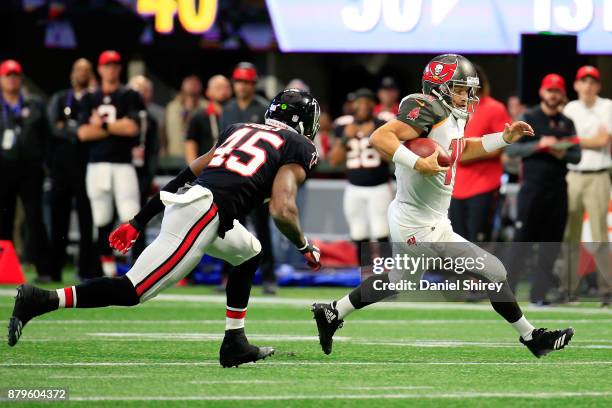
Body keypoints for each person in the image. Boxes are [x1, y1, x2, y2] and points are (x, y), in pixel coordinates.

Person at [8, 89, 322, 368]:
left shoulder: (239, 129)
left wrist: (139, 220)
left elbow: (187, 173)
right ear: (305, 124)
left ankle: (234, 342)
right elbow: (282, 209)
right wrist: (304, 246)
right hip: (203, 215)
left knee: (250, 252)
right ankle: (42, 299)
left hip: (198, 206)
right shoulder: (298, 147)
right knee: (133, 290)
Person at [312, 54, 574, 359]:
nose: (467, 96)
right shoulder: (427, 107)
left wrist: (503, 138)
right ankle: (533, 338)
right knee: (494, 271)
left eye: (468, 89)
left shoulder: (451, 114)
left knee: (399, 281)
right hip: (419, 224)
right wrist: (417, 161)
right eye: (460, 88)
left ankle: (332, 312)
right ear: (439, 87)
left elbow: (460, 149)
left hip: (424, 216)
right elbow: (380, 136)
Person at [505, 74, 581, 305]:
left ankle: (539, 295)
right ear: (542, 92)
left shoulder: (567, 123)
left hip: (558, 189)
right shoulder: (528, 117)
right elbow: (511, 150)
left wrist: (562, 152)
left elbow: (577, 156)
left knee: (551, 245)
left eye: (557, 91)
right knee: (522, 242)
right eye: (550, 90)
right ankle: (507, 294)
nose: (553, 95)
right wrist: (539, 145)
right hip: (532, 189)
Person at [78, 50, 144, 277]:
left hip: (123, 164)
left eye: (115, 64)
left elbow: (132, 128)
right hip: (97, 165)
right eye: (108, 65)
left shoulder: (129, 95)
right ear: (100, 68)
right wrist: (117, 127)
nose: (111, 69)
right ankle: (107, 271)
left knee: (131, 215)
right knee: (101, 218)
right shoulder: (89, 98)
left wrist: (104, 126)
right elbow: (84, 133)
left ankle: (137, 269)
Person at [220, 62, 276, 294]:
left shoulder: (264, 108)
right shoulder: (228, 109)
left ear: (253, 85)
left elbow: (273, 145)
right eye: (239, 82)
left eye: (246, 82)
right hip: (232, 177)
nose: (242, 86)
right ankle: (228, 275)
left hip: (257, 177)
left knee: (262, 228)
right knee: (228, 227)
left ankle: (269, 276)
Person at [561, 66, 612, 306]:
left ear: (598, 86)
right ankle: (568, 289)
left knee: (600, 234)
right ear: (577, 85)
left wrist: (576, 140)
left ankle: (607, 291)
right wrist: (584, 141)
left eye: (593, 82)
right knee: (570, 233)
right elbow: (564, 142)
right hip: (574, 175)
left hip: (599, 175)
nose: (588, 86)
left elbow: (604, 140)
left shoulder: (607, 106)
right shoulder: (570, 108)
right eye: (584, 81)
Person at [0, 59, 54, 282]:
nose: (12, 79)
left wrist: (45, 164)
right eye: (8, 75)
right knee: (3, 217)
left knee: (34, 218)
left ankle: (43, 269)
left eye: (15, 75)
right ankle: (3, 267)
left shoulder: (35, 104)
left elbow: (47, 137)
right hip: (3, 167)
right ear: (2, 79)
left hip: (31, 168)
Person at [48, 58, 100, 281]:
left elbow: (95, 129)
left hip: (86, 166)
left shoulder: (94, 100)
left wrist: (70, 128)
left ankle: (87, 269)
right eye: (78, 69)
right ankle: (54, 269)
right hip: (61, 167)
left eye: (86, 70)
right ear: (71, 73)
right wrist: (80, 131)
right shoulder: (60, 98)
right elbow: (53, 127)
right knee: (58, 217)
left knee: (88, 220)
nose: (82, 73)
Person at [328, 88, 391, 263]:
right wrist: (344, 139)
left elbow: (392, 156)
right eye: (359, 102)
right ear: (353, 104)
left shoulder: (383, 123)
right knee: (358, 232)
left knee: (381, 231)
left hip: (379, 187)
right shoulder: (343, 125)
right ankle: (363, 272)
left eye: (367, 102)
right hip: (353, 187)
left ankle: (386, 275)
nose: (363, 106)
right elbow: (333, 161)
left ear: (373, 104)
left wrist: (375, 138)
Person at [450, 65, 511, 242]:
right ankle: (462, 269)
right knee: (457, 239)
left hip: (483, 185)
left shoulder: (495, 108)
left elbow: (502, 144)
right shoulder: (455, 108)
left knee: (478, 240)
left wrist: (467, 154)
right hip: (456, 186)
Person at [127, 75, 161, 259]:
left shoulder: (151, 119)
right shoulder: (121, 112)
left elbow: (154, 151)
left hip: (140, 173)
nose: (141, 93)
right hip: (121, 167)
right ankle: (103, 259)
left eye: (145, 89)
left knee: (139, 215)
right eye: (137, 88)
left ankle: (137, 259)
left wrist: (150, 176)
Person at [185, 75, 231, 163]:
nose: (223, 91)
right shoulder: (198, 118)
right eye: (218, 88)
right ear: (208, 92)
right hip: (206, 170)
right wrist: (194, 173)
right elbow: (190, 146)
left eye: (227, 88)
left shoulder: (235, 116)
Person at [163, 75, 205, 161]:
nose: (192, 85)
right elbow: (163, 132)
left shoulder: (206, 108)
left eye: (196, 83)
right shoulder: (172, 107)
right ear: (182, 85)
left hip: (199, 158)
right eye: (189, 81)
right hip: (174, 157)